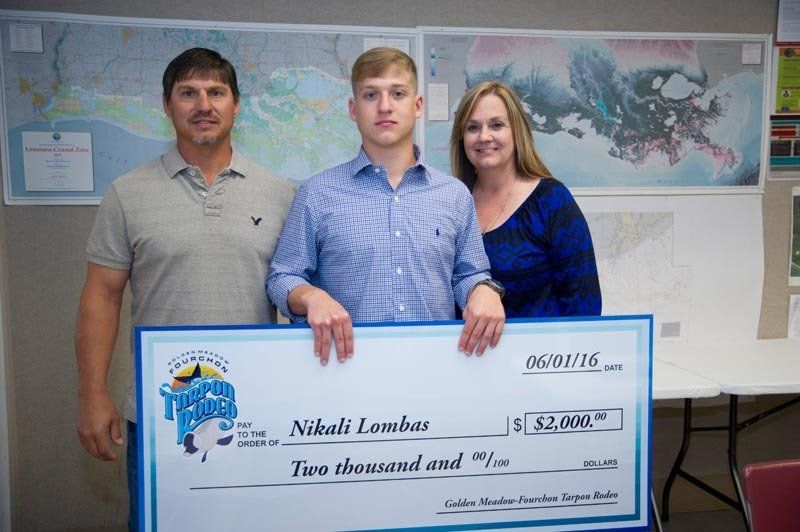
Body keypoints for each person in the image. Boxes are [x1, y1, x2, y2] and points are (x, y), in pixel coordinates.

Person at [75, 47, 295, 531]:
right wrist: (92, 393)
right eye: (188, 93)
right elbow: (102, 297)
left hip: (254, 414)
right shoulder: (127, 193)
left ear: (237, 105)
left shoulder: (282, 194)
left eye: (216, 92)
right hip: (160, 416)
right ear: (167, 104)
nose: (203, 105)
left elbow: (297, 291)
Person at [267, 47, 505, 366]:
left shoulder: (454, 195)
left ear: (417, 105)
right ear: (353, 109)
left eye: (397, 93)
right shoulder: (317, 193)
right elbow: (283, 276)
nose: (384, 106)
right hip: (344, 376)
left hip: (436, 372)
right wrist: (312, 297)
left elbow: (470, 274)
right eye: (370, 95)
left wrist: (484, 290)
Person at [449, 81, 601, 318]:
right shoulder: (451, 204)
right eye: (472, 127)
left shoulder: (552, 202)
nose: (484, 136)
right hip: (462, 354)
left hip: (541, 354)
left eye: (496, 125)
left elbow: (584, 303)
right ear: (461, 138)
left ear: (516, 132)